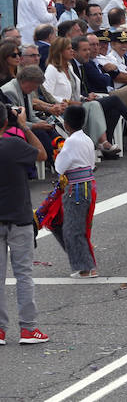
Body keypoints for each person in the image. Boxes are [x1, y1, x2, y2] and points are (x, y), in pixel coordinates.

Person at [0, 105, 49, 345]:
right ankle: (28, 329)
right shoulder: (15, 145)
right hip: (19, 218)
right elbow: (42, 155)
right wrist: (22, 127)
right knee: (24, 275)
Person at [48, 105, 98, 277]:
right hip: (89, 184)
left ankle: (86, 268)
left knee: (72, 228)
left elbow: (60, 167)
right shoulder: (87, 139)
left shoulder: (71, 141)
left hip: (76, 187)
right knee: (78, 227)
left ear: (67, 125)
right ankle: (85, 264)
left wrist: (59, 153)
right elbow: (91, 165)